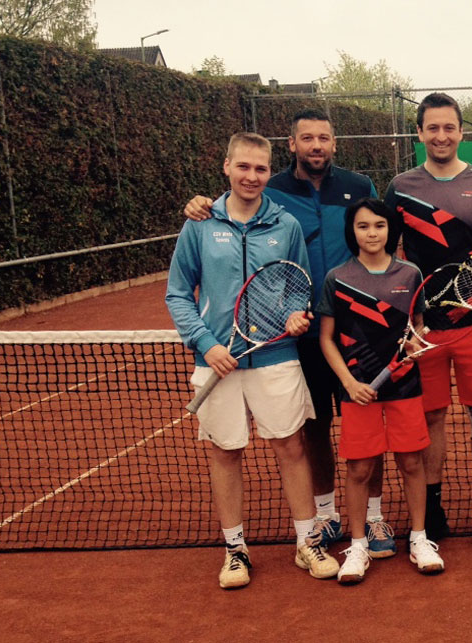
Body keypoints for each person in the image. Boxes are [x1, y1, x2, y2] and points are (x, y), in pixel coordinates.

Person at [183, 110, 389, 556]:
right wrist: (202, 206)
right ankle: (326, 514)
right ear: (292, 144)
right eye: (307, 138)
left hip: (359, 328)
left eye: (325, 138)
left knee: (364, 422)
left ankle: (373, 518)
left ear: (334, 144)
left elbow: (380, 241)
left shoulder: (359, 187)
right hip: (299, 338)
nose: (317, 146)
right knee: (312, 427)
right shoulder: (271, 193)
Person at [165, 132, 340, 588]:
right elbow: (179, 293)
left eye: (260, 169)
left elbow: (297, 286)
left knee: (291, 447)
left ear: (269, 171)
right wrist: (206, 343)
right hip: (217, 359)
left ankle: (307, 542)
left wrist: (295, 318)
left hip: (276, 357)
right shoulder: (199, 224)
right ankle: (235, 551)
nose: (251, 176)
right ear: (227, 166)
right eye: (243, 167)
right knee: (226, 453)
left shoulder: (285, 226)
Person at [385, 92, 472, 550]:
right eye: (432, 128)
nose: (441, 136)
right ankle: (434, 506)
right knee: (432, 417)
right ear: (419, 133)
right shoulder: (401, 186)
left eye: (449, 127)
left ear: (461, 132)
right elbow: (384, 251)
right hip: (424, 327)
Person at [316, 197, 445, 582]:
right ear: (351, 231)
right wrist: (349, 383)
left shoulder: (409, 274)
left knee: (411, 463)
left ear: (390, 230)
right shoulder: (337, 278)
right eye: (363, 226)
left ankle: (420, 540)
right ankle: (357, 547)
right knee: (359, 468)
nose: (372, 233)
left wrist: (415, 345)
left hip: (405, 387)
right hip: (358, 391)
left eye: (379, 226)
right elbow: (326, 339)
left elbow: (418, 327)